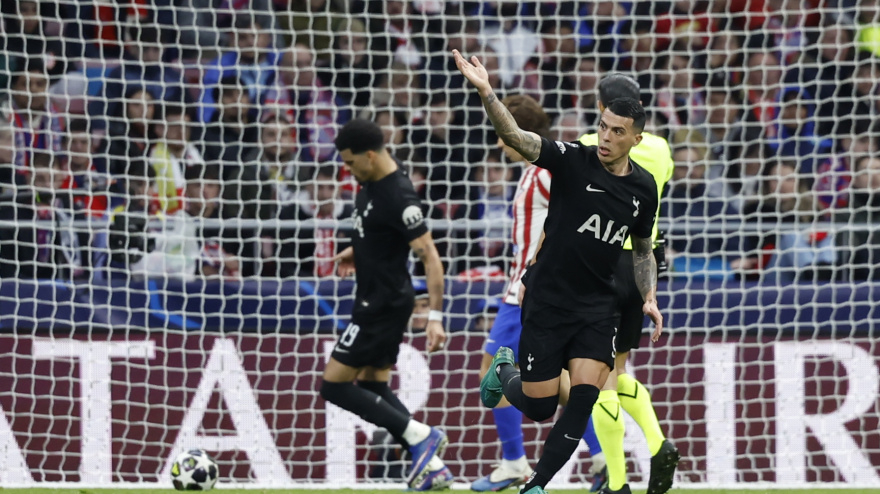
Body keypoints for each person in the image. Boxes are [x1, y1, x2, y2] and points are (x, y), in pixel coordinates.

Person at [454, 49, 662, 494]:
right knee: (539, 405)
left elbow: (642, 248)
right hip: (547, 299)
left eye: (617, 132)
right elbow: (514, 134)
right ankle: (504, 372)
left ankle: (537, 484)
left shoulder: (644, 187)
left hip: (598, 307)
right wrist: (488, 93)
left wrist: (649, 296)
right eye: (602, 126)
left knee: (584, 397)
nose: (605, 137)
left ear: (636, 139)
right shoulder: (572, 160)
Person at [319, 119, 454, 491]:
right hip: (378, 299)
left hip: (381, 306)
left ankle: (421, 435)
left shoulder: (399, 196)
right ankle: (434, 466)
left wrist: (436, 318)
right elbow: (380, 235)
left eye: (349, 163)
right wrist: (357, 251)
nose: (347, 170)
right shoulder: (370, 181)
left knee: (333, 386)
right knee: (374, 387)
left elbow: (430, 257)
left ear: (370, 155)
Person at [576, 74, 680, 494]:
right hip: (643, 263)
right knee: (617, 372)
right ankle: (657, 445)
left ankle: (616, 484)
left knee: (598, 379)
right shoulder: (659, 147)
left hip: (600, 262)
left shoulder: (588, 145)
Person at [470, 94, 553, 492]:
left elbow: (570, 221)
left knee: (495, 369)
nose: (499, 141)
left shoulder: (545, 173)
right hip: (522, 287)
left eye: (503, 132)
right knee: (569, 379)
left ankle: (514, 460)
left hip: (528, 290)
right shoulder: (531, 172)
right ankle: (600, 459)